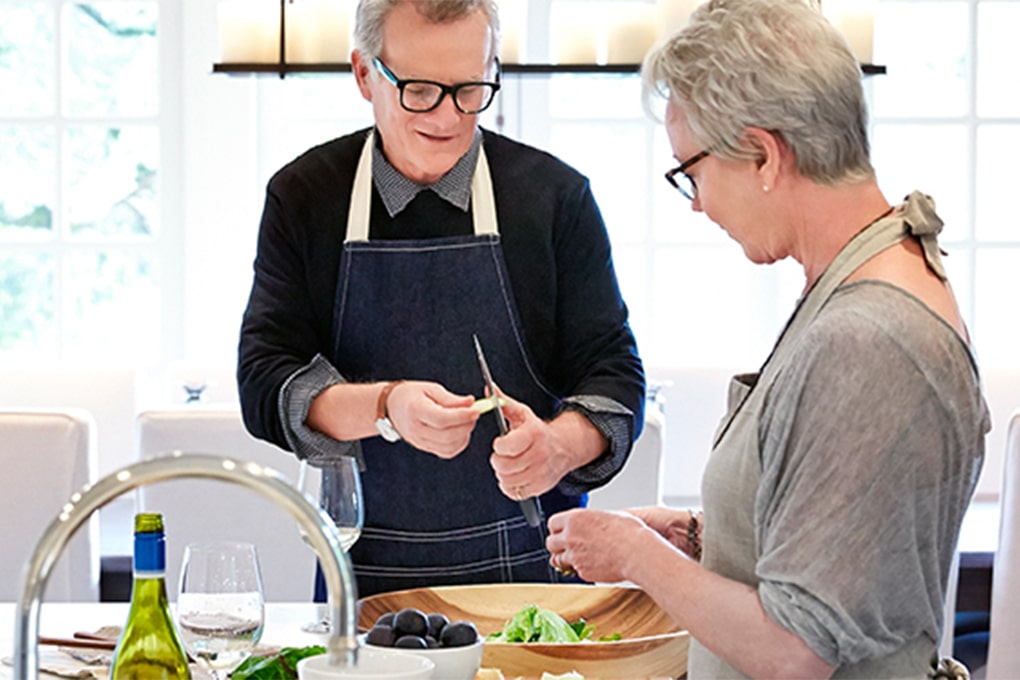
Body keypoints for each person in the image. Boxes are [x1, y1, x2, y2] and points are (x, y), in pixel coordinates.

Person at [544, 0, 989, 677]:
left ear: (763, 155)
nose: (696, 203)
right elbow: (842, 556)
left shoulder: (866, 340)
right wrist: (703, 540)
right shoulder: (864, 277)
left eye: (691, 172)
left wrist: (640, 558)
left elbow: (796, 649)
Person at [237, 0, 644, 599]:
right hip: (362, 572)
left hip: (534, 572)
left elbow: (615, 374)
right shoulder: (304, 197)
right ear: (363, 74)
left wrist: (559, 446)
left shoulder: (555, 198)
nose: (449, 116)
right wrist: (385, 407)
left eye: (471, 88)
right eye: (420, 91)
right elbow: (264, 381)